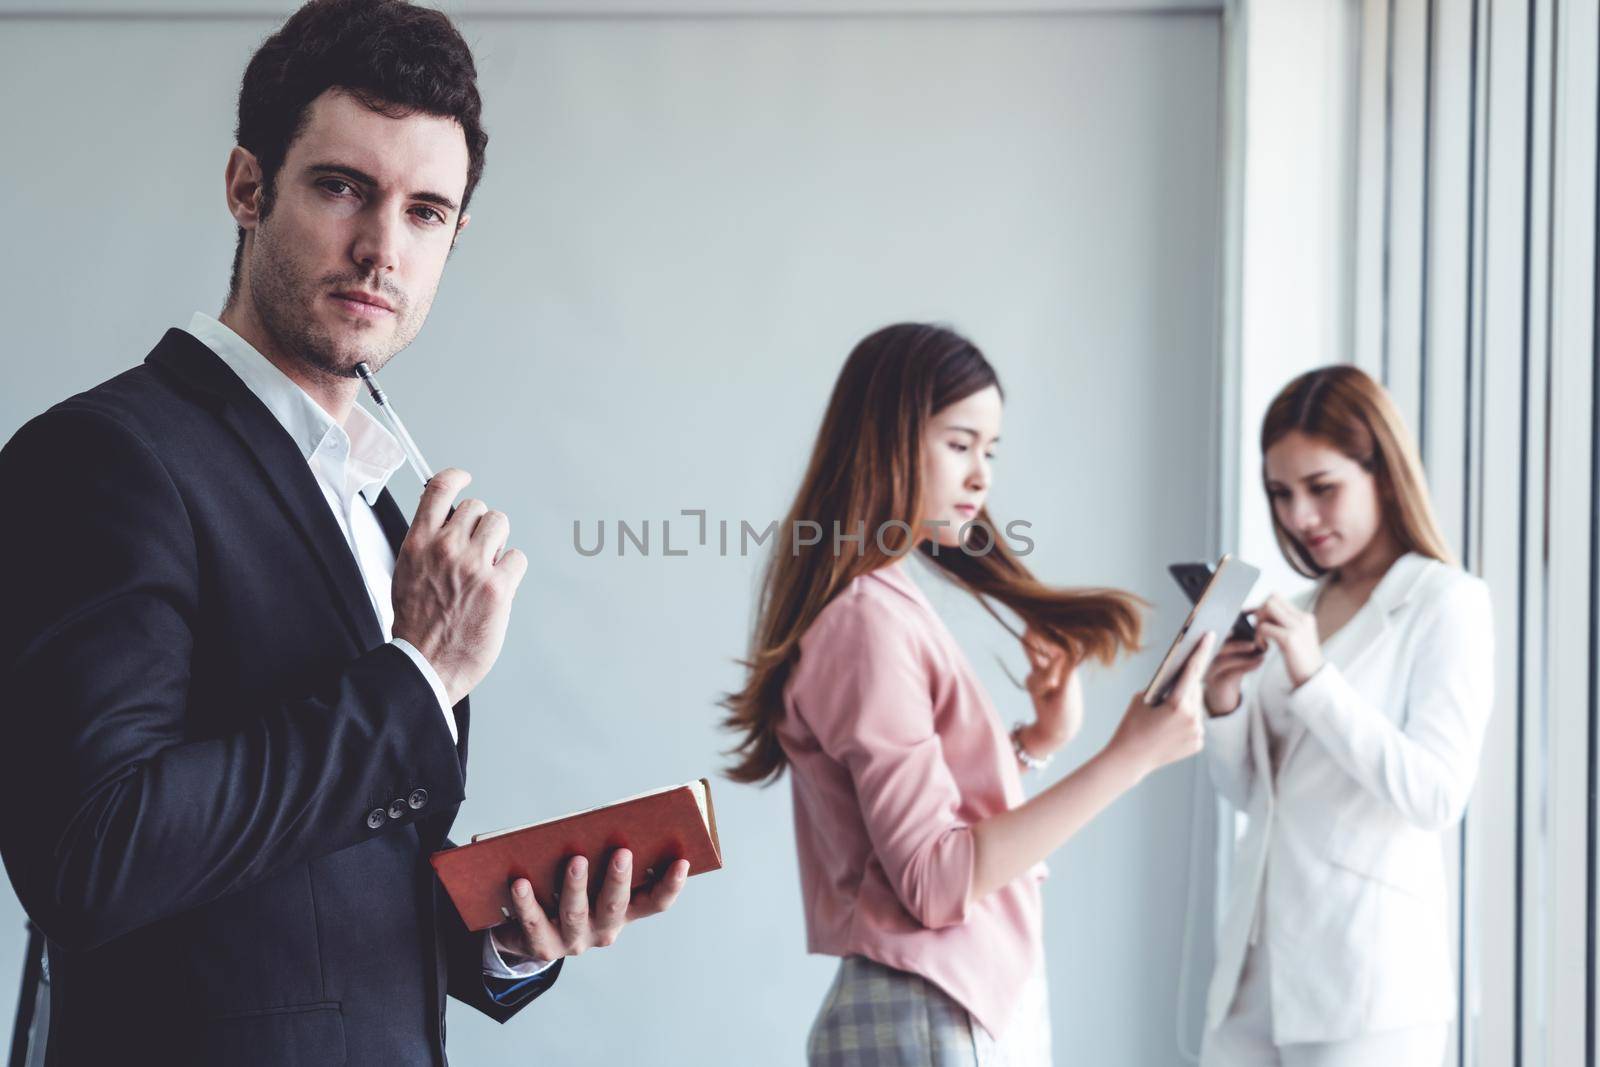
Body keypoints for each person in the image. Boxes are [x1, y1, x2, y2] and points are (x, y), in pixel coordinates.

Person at [0, 2, 686, 1063]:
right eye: (341, 188)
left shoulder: (378, 508)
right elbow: (94, 855)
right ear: (247, 187)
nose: (380, 250)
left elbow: (324, 884)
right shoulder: (104, 457)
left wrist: (502, 934)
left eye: (424, 212)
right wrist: (417, 676)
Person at [721, 323, 1213, 1066]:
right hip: (932, 1011)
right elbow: (933, 879)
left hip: (943, 1006)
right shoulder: (867, 622)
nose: (982, 476)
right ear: (885, 440)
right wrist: (1127, 760)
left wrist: (1034, 745)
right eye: (960, 444)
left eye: (990, 450)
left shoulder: (878, 606)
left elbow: (927, 841)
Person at [1198, 365, 1494, 1067]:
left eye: (1322, 488)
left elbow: (1436, 793)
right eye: (1281, 493)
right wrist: (1222, 702)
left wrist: (1314, 678)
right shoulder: (1297, 609)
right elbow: (1252, 797)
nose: (1300, 516)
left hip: (1367, 982)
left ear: (1383, 474)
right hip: (1253, 970)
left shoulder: (1446, 602)